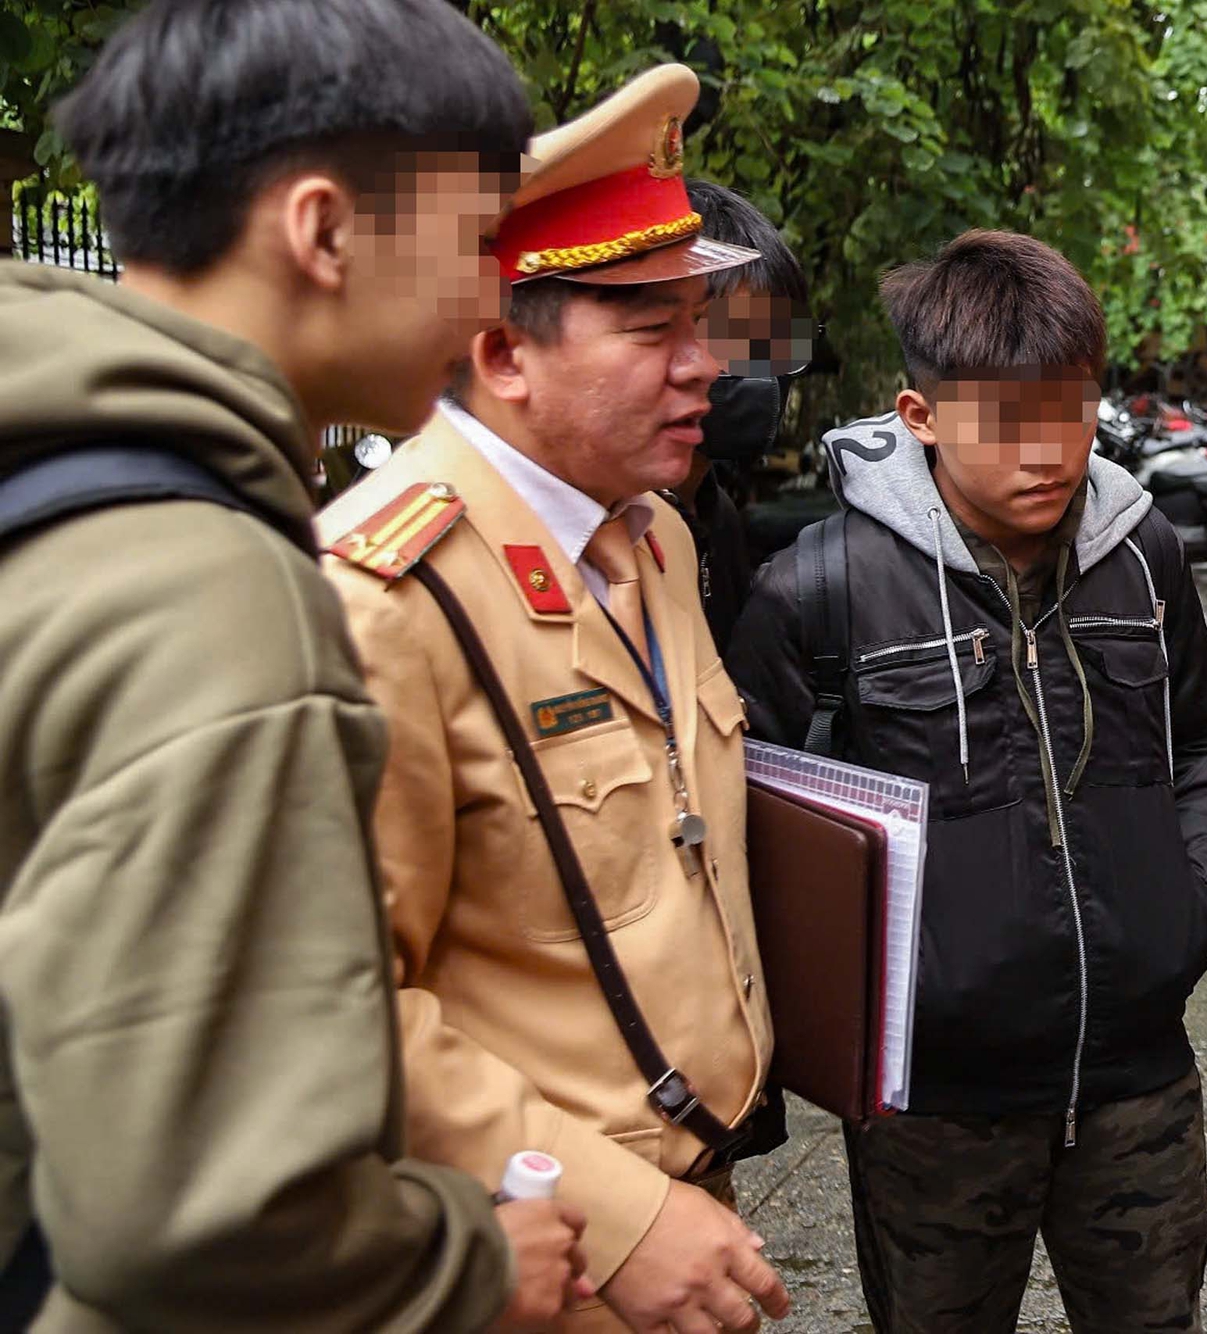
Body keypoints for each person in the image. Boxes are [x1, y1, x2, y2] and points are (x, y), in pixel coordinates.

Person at [0, 1, 590, 1329]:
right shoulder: (207, 591)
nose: (491, 300)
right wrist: (473, 1262)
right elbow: (210, 1216)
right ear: (322, 231)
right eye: (474, 242)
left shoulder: (59, 479)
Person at [318, 64, 791, 1334]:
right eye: (652, 330)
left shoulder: (652, 537)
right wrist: (619, 1213)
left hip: (695, 1200)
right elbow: (336, 1005)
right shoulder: (386, 596)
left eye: (702, 322)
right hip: (537, 1246)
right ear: (499, 352)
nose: (706, 368)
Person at [727, 229, 1207, 1334]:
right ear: (920, 416)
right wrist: (879, 1003)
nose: (1047, 452)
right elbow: (752, 831)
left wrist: (1191, 902)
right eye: (1005, 422)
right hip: (934, 1107)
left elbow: (1203, 735)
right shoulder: (817, 591)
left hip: (1137, 1077)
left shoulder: (1141, 554)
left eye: (1071, 410)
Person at [674, 179, 813, 653]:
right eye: (730, 334)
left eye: (773, 339)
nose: (759, 365)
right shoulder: (614, 526)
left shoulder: (721, 522)